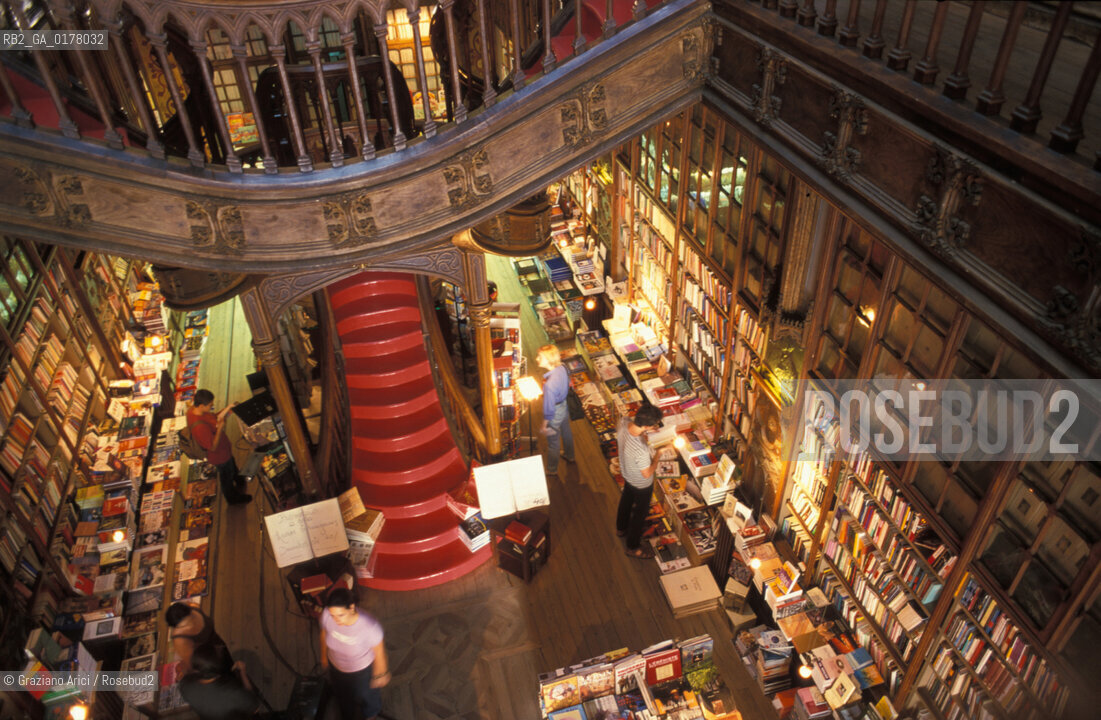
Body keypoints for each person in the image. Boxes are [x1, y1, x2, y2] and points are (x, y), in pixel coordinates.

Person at [320, 588, 390, 720]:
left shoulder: (369, 627)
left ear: (351, 608)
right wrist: (324, 657)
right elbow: (324, 634)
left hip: (362, 672)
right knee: (343, 697)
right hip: (337, 669)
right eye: (333, 615)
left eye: (341, 615)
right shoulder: (326, 615)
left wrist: (380, 674)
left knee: (367, 698)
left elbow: (379, 653)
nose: (336, 620)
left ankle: (371, 716)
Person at [615, 404, 673, 559]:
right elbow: (647, 473)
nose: (655, 426)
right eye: (654, 424)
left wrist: (646, 431)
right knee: (640, 514)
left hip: (627, 472)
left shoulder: (623, 422)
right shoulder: (640, 449)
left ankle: (620, 528)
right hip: (641, 484)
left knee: (626, 499)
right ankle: (632, 546)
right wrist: (658, 454)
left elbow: (633, 434)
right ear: (647, 425)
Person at [189, 389, 251, 505]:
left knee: (232, 466)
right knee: (226, 478)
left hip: (225, 451)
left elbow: (215, 419)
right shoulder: (199, 428)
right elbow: (212, 447)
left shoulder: (196, 411)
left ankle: (239, 480)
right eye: (210, 405)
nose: (212, 407)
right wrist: (220, 429)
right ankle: (233, 499)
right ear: (202, 405)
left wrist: (229, 409)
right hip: (219, 456)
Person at [178, 643, 261, 720]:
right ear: (219, 669)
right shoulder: (234, 692)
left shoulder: (185, 685)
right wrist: (243, 672)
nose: (220, 647)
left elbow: (183, 679)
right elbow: (254, 707)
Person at [536, 344, 574, 477]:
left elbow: (549, 409)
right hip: (563, 404)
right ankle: (570, 455)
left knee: (553, 442)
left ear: (548, 359)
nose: (537, 359)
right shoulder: (562, 367)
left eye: (540, 357)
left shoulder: (549, 385)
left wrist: (544, 424)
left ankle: (551, 469)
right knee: (566, 430)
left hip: (555, 411)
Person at [165, 601, 230, 675]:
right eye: (184, 625)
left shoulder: (194, 607)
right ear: (176, 627)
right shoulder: (180, 639)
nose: (189, 624)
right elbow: (190, 665)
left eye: (189, 619)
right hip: (210, 664)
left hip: (220, 646)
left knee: (232, 666)